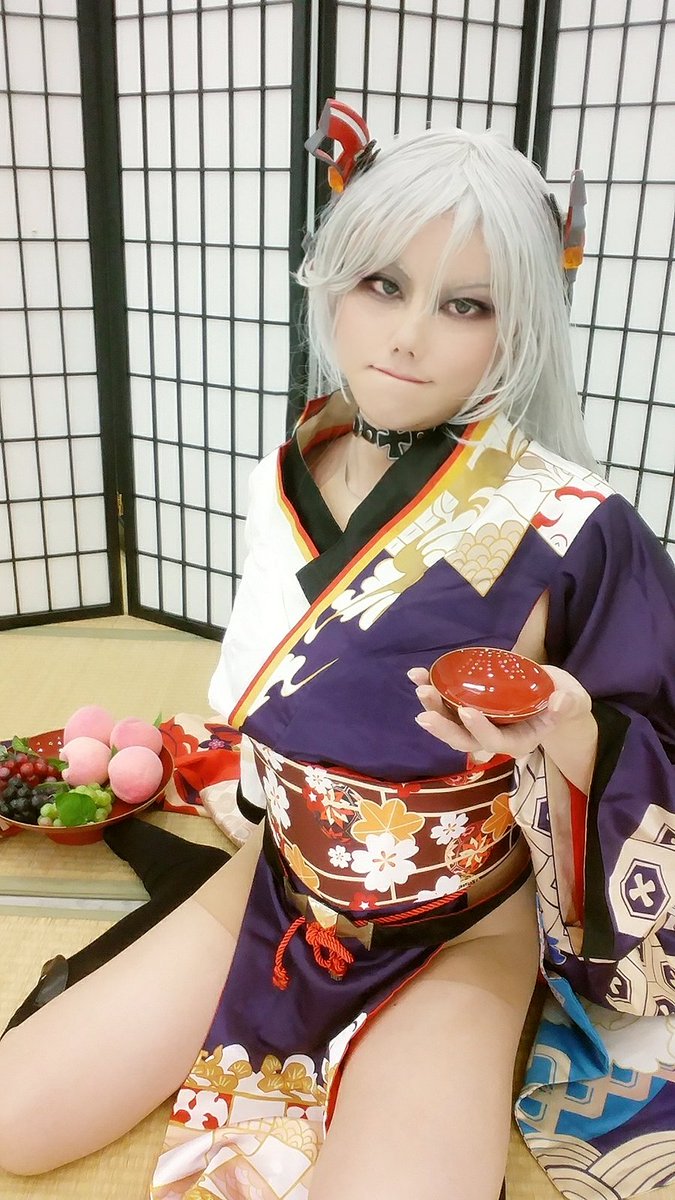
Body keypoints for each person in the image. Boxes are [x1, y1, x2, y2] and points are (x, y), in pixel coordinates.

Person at [0, 102, 673, 1200]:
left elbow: (661, 747)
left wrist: (571, 726)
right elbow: (258, 696)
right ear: (334, 282)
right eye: (382, 284)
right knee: (17, 1122)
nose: (407, 335)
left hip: (464, 913)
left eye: (465, 304)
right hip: (286, 870)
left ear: (522, 323)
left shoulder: (578, 524)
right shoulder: (282, 474)